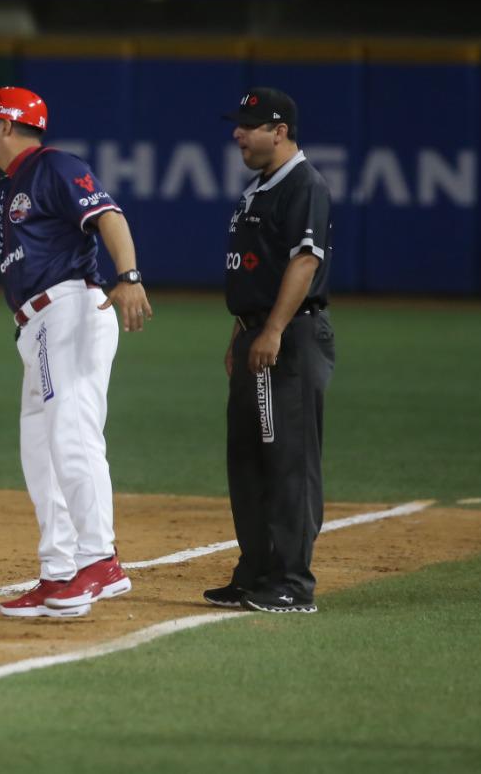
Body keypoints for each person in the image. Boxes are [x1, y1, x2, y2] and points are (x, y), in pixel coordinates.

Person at [0, 80, 151, 619]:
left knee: (72, 432)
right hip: (35, 328)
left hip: (69, 311)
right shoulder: (9, 187)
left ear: (7, 125)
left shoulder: (55, 166)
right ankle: (59, 570)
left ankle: (101, 559)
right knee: (40, 451)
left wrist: (127, 275)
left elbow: (109, 214)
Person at [206, 87, 334, 615]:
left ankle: (292, 582)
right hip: (258, 335)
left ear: (279, 131)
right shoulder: (260, 187)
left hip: (292, 338)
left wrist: (274, 329)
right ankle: (256, 570)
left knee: (288, 460)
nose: (239, 132)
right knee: (250, 457)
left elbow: (304, 263)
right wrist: (244, 331)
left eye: (250, 124)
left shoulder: (303, 184)